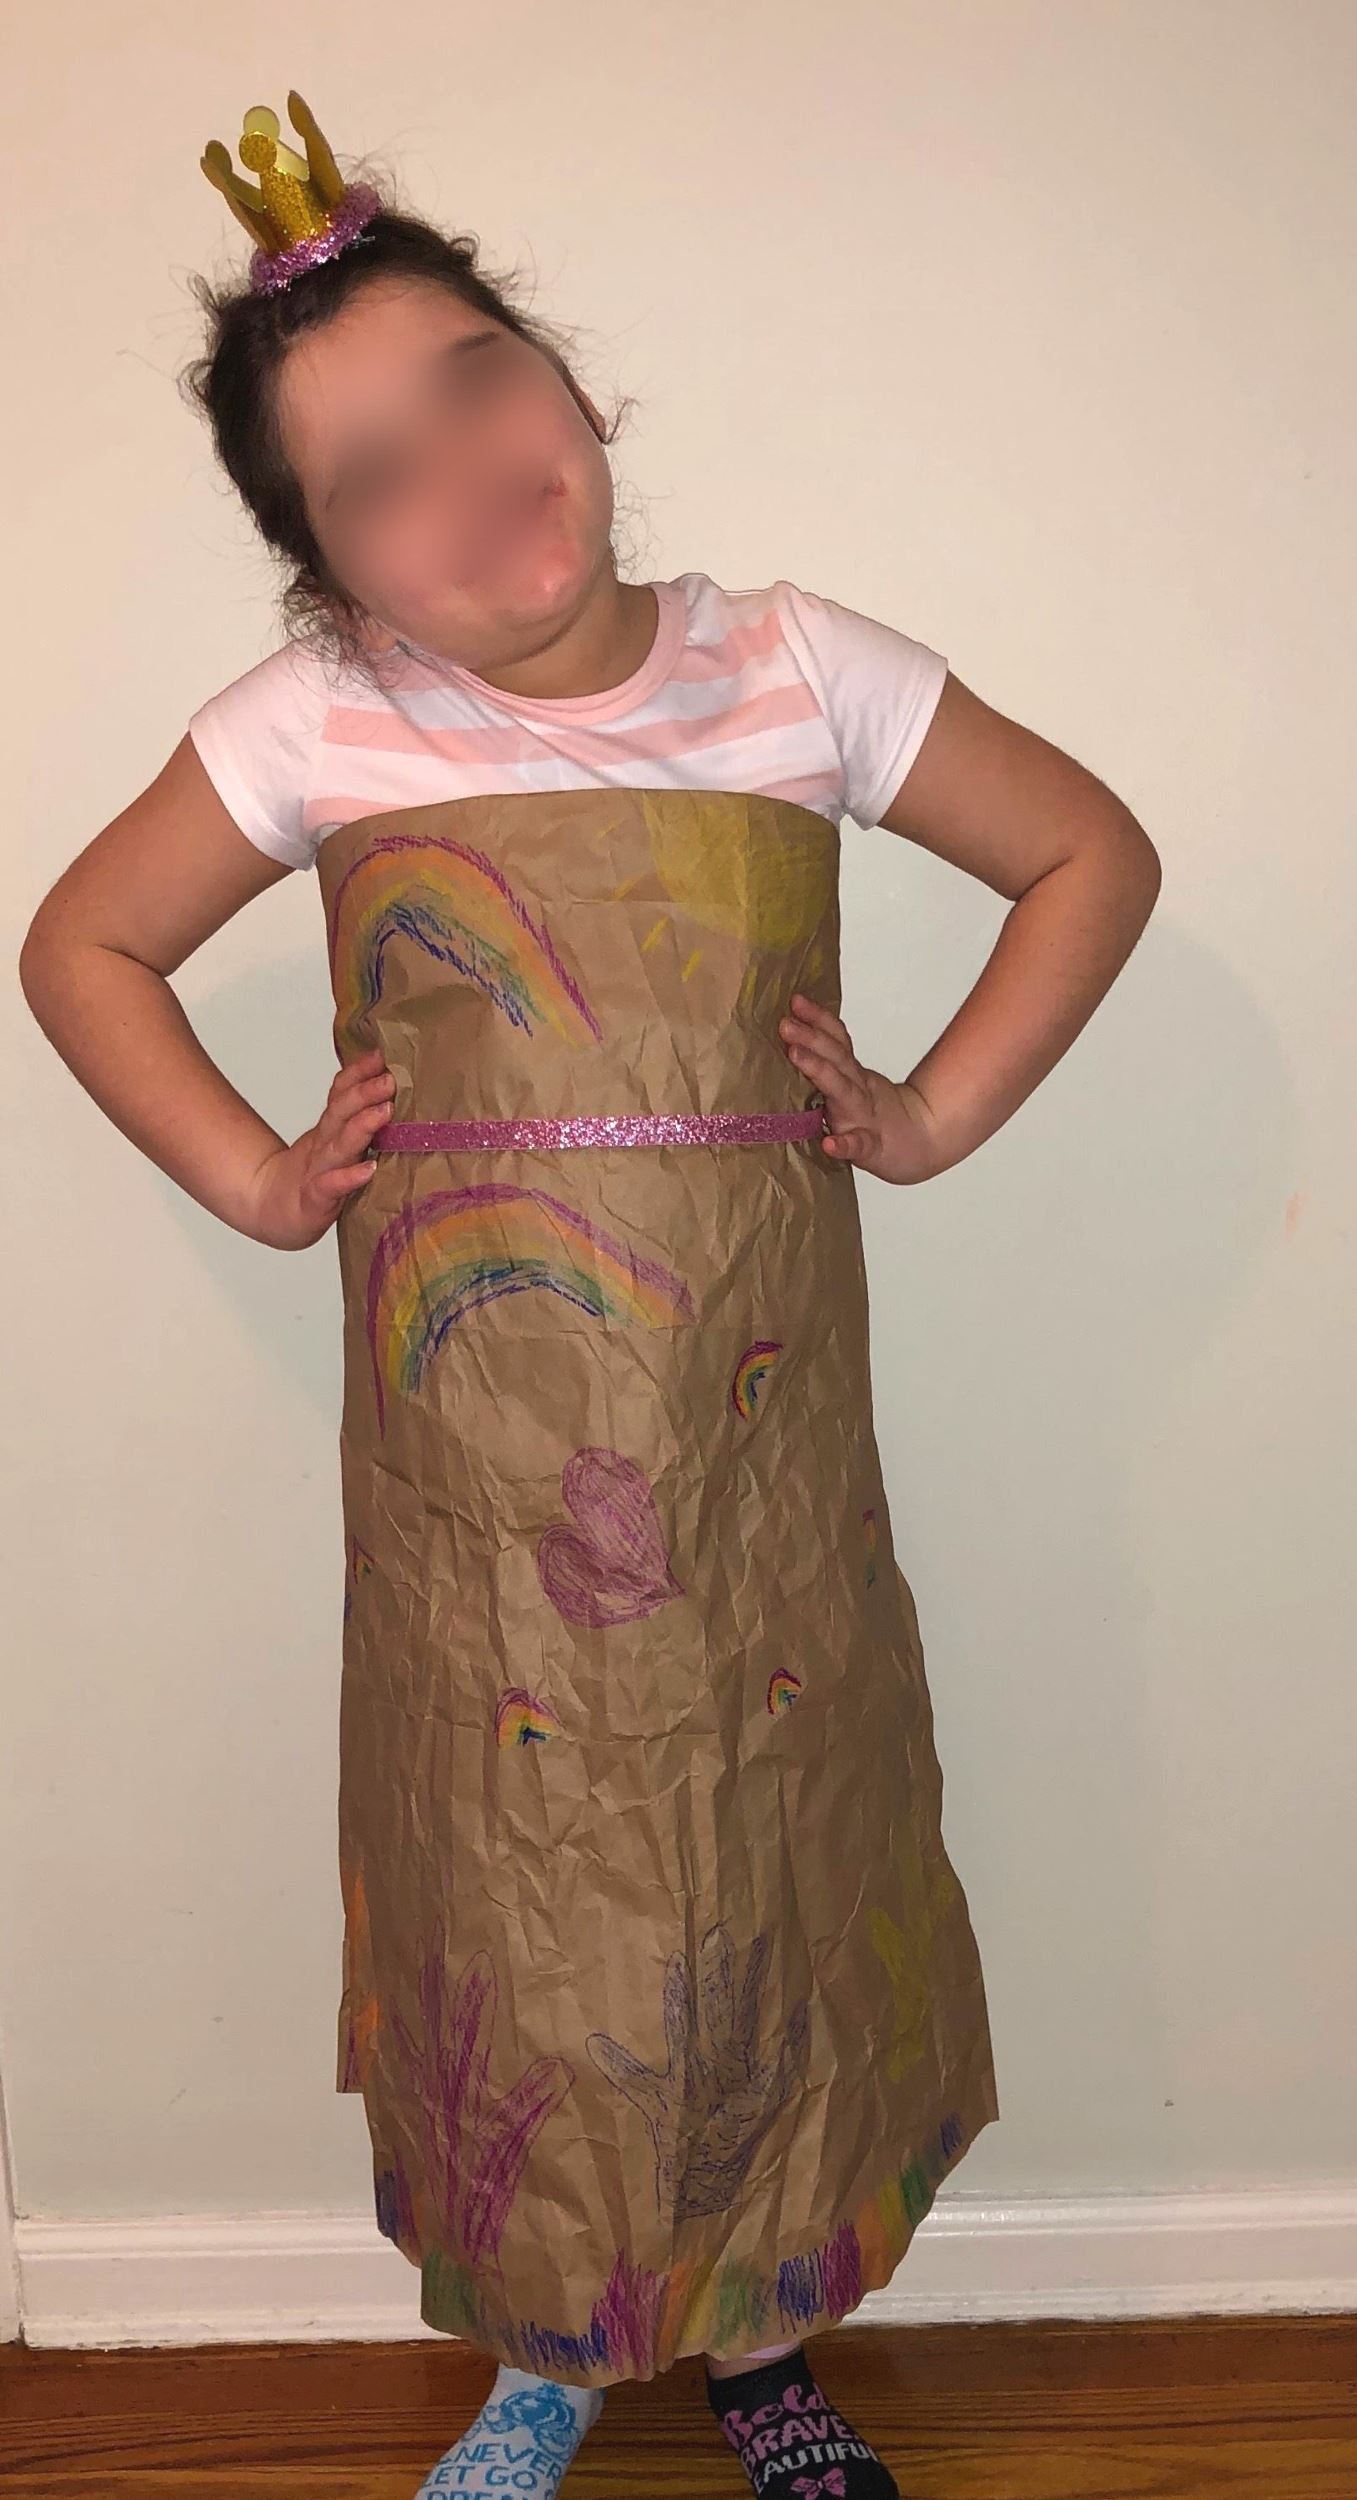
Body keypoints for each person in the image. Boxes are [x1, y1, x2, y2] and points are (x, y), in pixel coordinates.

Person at [19, 91, 1161, 2500]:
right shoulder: (319, 729)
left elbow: (1085, 851)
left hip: (756, 1455)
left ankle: (762, 2333)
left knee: (766, 1833)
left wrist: (930, 1112)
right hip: (477, 1484)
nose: (458, 474)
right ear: (328, 576)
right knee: (508, 1873)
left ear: (564, 380)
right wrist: (259, 1177)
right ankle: (544, 2336)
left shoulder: (797, 667)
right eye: (370, 477)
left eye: (474, 382)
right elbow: (84, 945)